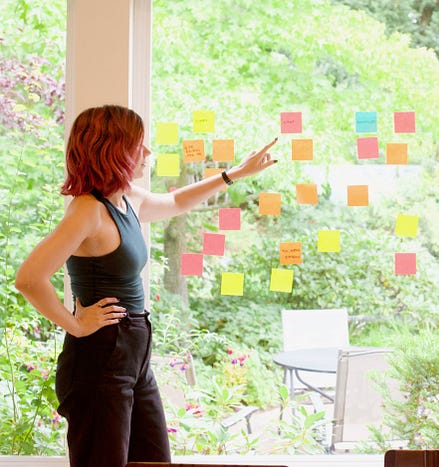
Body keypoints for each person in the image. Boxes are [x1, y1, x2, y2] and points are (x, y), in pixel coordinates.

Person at [14, 105, 277, 467]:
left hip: (133, 354)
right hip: (100, 358)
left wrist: (234, 174)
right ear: (114, 150)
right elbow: (29, 278)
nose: (148, 153)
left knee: (154, 462)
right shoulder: (87, 210)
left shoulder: (127, 199)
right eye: (140, 144)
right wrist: (75, 324)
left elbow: (176, 201)